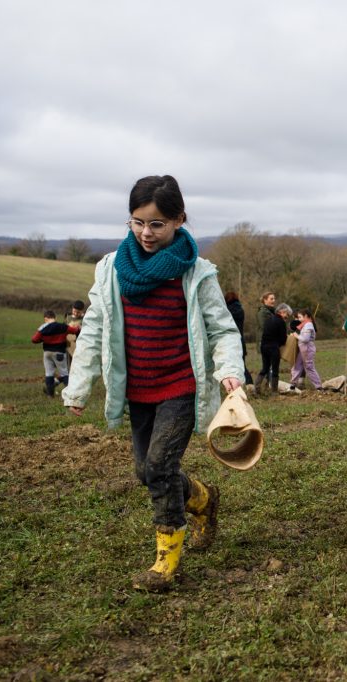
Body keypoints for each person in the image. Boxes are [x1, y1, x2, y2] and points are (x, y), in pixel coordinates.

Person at [62, 175, 244, 592]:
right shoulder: (111, 269)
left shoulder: (197, 273)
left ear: (179, 220)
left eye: (157, 224)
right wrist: (78, 386)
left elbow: (222, 330)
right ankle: (201, 498)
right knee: (146, 471)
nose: (146, 232)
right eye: (138, 222)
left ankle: (166, 560)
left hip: (180, 385)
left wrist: (229, 369)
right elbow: (93, 328)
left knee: (160, 466)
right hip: (137, 389)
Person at [32, 310, 80, 397]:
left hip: (47, 353)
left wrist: (43, 339)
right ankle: (70, 394)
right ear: (55, 317)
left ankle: (50, 394)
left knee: (49, 373)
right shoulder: (62, 327)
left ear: (45, 319)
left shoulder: (43, 328)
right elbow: (75, 330)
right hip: (59, 353)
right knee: (64, 373)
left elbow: (34, 339)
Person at [224, 291, 254, 387]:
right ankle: (250, 385)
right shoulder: (241, 310)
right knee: (242, 365)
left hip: (230, 341)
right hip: (240, 340)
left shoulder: (226, 311)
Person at [261, 303, 291, 393]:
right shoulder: (281, 322)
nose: (287, 317)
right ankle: (274, 392)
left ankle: (257, 389)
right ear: (282, 311)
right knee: (275, 370)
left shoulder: (269, 319)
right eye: (287, 314)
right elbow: (283, 339)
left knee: (264, 368)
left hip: (263, 346)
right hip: (273, 347)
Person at [290, 308, 323, 390]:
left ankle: (319, 387)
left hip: (307, 349)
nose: (299, 319)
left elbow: (305, 339)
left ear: (306, 316)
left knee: (309, 367)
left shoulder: (308, 325)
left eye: (300, 317)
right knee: (297, 365)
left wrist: (296, 336)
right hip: (303, 349)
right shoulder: (305, 324)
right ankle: (293, 385)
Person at [255, 292, 277, 394]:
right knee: (267, 366)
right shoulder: (262, 313)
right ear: (265, 300)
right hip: (265, 342)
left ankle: (268, 387)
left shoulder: (271, 311)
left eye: (274, 299)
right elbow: (265, 327)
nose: (273, 300)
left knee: (269, 366)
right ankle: (259, 388)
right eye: (271, 299)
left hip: (271, 342)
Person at [65, 300, 85, 367]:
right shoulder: (67, 317)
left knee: (78, 365)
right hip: (68, 345)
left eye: (78, 312)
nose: (76, 313)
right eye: (74, 311)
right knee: (68, 365)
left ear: (82, 311)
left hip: (79, 346)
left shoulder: (85, 319)